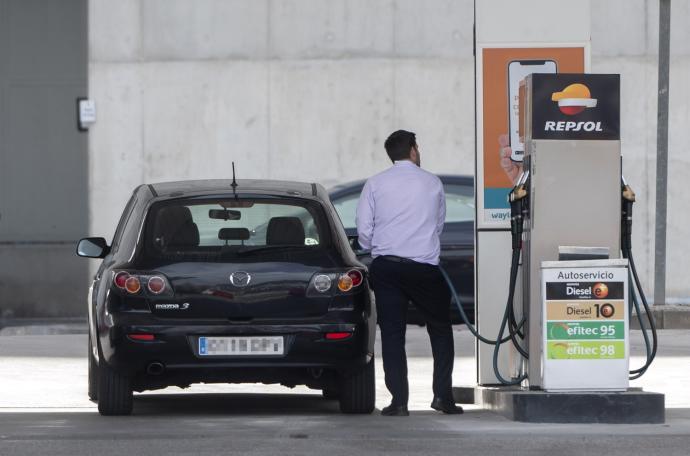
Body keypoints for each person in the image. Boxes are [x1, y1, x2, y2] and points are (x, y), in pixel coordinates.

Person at [356, 130, 463, 416]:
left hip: (387, 267)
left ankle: (399, 402)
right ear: (413, 151)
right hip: (425, 268)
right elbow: (438, 224)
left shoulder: (375, 184)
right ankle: (443, 397)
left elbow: (364, 231)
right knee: (440, 330)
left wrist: (377, 246)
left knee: (392, 334)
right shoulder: (432, 182)